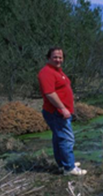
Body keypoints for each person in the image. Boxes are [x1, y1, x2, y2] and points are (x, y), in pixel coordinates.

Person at [38, 47, 87, 176]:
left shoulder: (58, 71)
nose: (58, 59)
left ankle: (64, 164)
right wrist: (63, 108)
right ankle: (69, 168)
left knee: (59, 139)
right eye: (55, 57)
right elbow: (50, 93)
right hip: (56, 112)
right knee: (67, 139)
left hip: (61, 111)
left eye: (60, 57)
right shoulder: (46, 72)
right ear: (48, 58)